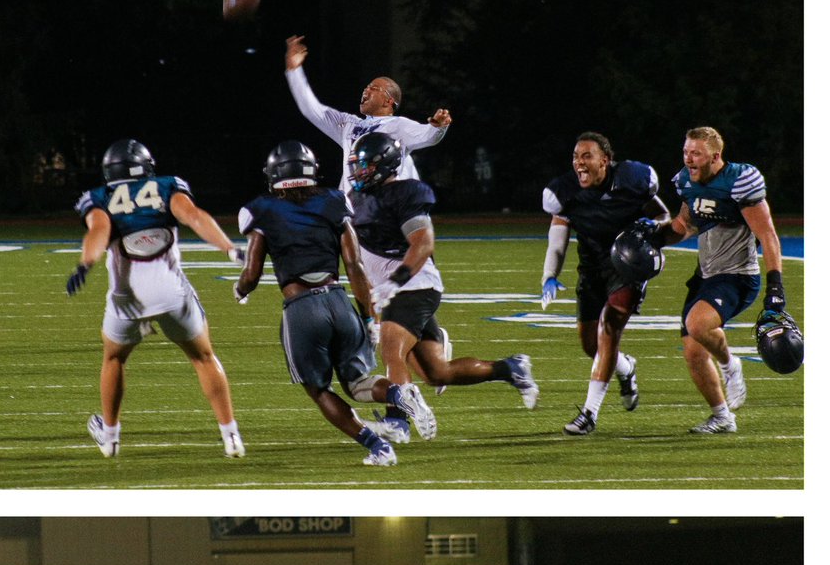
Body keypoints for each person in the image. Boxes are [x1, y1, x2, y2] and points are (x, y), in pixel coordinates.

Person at [234, 140, 435, 467]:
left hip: (301, 309)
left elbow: (252, 272)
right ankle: (399, 394)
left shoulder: (261, 208)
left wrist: (241, 289)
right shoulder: (333, 199)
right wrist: (370, 319)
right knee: (357, 384)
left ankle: (378, 448)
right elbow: (354, 265)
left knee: (318, 389)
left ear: (274, 174)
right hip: (339, 301)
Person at [347, 133, 538, 446]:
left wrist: (395, 281)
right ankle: (509, 368)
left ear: (385, 166)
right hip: (394, 291)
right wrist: (373, 304)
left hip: (414, 285)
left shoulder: (405, 193)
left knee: (391, 350)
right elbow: (363, 260)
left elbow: (423, 242)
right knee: (438, 373)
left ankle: (397, 422)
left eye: (365, 165)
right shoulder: (359, 201)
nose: (359, 172)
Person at [67, 138, 246, 459]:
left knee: (114, 358)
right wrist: (229, 248)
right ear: (147, 166)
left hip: (127, 298)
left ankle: (110, 438)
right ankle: (231, 436)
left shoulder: (99, 197)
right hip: (170, 292)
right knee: (203, 358)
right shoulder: (166, 186)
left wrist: (86, 263)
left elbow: (99, 229)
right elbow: (193, 216)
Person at [644, 126, 788, 433]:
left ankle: (729, 365)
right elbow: (683, 225)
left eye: (696, 153)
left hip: (737, 276)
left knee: (698, 325)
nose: (688, 158)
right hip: (706, 275)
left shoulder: (739, 181)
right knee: (693, 353)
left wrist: (775, 285)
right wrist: (654, 238)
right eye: (685, 152)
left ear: (715, 155)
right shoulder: (686, 181)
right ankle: (723, 416)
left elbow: (768, 235)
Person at [540, 132, 669, 436]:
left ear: (605, 160)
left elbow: (662, 213)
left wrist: (653, 229)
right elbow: (558, 239)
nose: (579, 163)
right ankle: (626, 367)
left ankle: (589, 414)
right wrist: (549, 274)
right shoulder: (565, 191)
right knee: (591, 345)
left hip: (627, 267)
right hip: (592, 268)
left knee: (609, 328)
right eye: (575, 156)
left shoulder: (632, 180)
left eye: (586, 156)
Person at [284, 35, 452, 195]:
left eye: (374, 87)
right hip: (351, 210)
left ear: (388, 101)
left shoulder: (398, 125)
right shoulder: (348, 123)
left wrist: (438, 126)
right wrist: (294, 70)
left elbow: (428, 136)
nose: (366, 89)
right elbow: (311, 108)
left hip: (381, 209)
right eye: (367, 86)